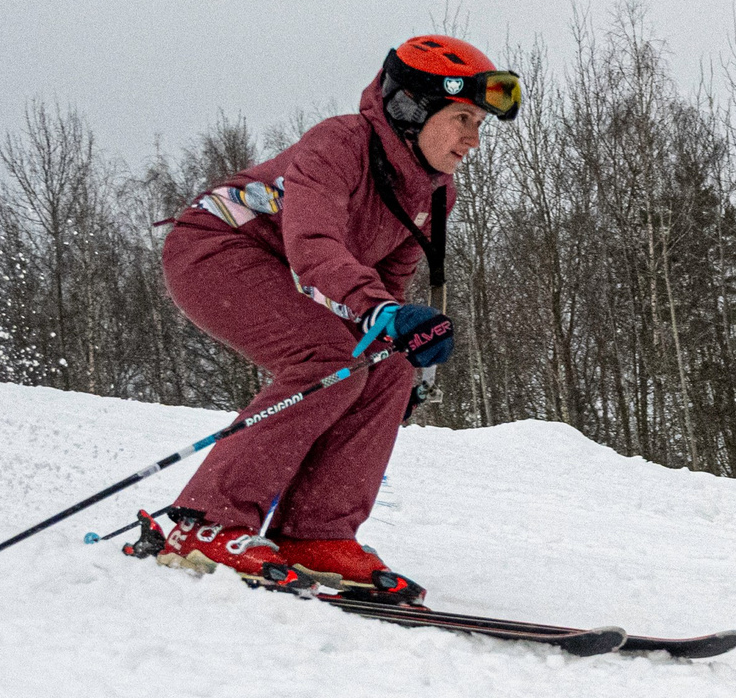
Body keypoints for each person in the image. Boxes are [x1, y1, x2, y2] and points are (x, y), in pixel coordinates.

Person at [141, 34, 522, 604]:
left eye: (481, 125)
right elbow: (314, 247)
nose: (473, 139)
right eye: (463, 118)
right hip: (218, 248)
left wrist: (398, 342)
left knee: (386, 368)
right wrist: (383, 313)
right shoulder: (340, 142)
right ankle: (207, 521)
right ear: (412, 109)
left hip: (293, 271)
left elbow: (387, 279)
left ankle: (315, 534)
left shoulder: (438, 193)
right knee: (327, 357)